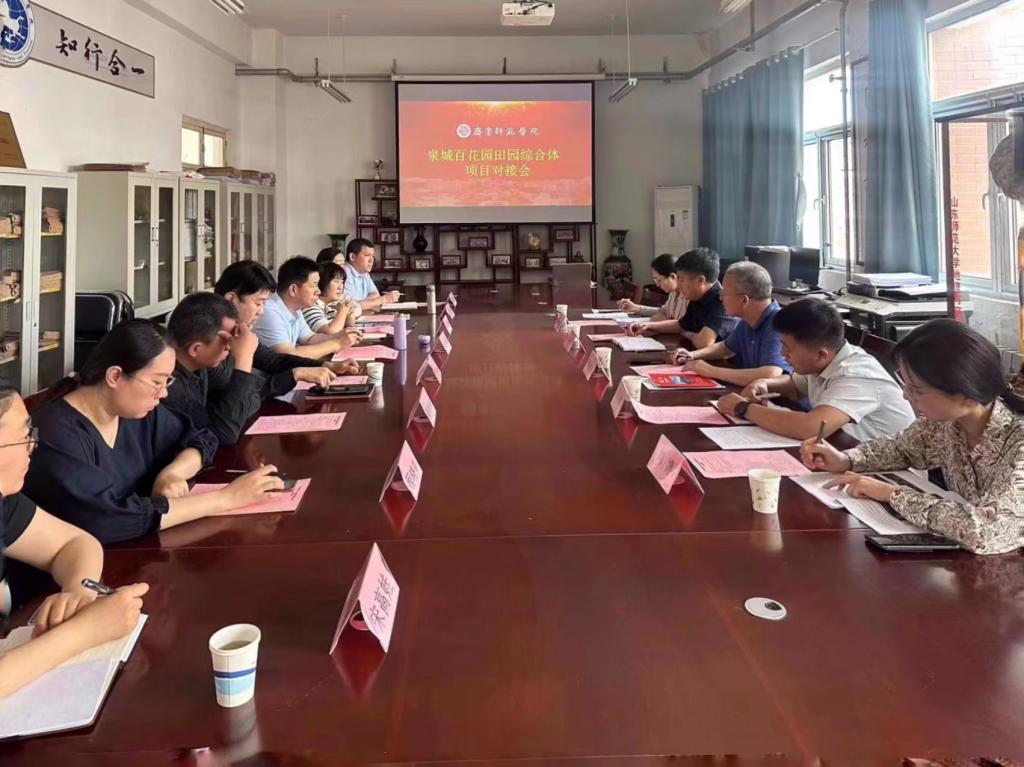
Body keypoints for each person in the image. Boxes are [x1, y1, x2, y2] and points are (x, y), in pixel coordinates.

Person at [22, 320, 286, 545]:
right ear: (115, 376)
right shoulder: (56, 432)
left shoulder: (134, 411)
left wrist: (172, 473)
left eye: (167, 381)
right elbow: (107, 519)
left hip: (135, 551)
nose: (164, 393)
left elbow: (201, 438)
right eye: (157, 382)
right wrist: (226, 498)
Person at [801, 320, 1024, 555]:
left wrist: (892, 494)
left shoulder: (1018, 443)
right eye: (905, 386)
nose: (906, 397)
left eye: (916, 391)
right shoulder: (947, 422)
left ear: (965, 394)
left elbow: (987, 531)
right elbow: (903, 449)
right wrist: (846, 460)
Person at [0, 382, 148, 700]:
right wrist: (85, 631)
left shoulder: (5, 501)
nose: (32, 446)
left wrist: (78, 594)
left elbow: (76, 543)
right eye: (24, 436)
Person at [717, 298, 915, 441]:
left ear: (821, 354)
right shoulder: (824, 360)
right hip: (846, 452)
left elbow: (811, 427)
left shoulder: (856, 376)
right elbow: (795, 385)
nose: (783, 354)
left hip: (892, 473)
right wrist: (764, 383)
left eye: (788, 348)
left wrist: (744, 408)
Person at [214, 261, 359, 399]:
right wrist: (295, 374)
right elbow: (243, 396)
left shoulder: (238, 331)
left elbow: (274, 360)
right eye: (258, 303)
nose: (261, 311)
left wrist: (326, 365)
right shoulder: (211, 340)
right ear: (231, 299)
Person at [163, 292, 263, 446]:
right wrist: (244, 358)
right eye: (226, 338)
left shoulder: (201, 366)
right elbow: (224, 434)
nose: (230, 346)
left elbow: (253, 399)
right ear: (196, 348)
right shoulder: (168, 386)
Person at [672, 262, 791, 387]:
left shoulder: (778, 323)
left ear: (744, 300)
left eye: (724, 293)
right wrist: (692, 355)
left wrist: (711, 371)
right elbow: (725, 348)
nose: (721, 298)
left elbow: (770, 374)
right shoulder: (747, 320)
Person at [252, 256, 362, 360]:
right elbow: (288, 355)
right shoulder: (269, 311)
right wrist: (335, 344)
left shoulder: (296, 309)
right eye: (314, 285)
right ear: (293, 290)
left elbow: (309, 338)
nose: (318, 291)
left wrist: (340, 336)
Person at [630, 247, 738, 350]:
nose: (679, 285)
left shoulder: (721, 301)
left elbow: (703, 343)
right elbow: (681, 325)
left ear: (700, 281)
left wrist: (689, 333)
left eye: (681, 280)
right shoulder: (697, 296)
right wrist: (647, 325)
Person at [617, 254, 688, 321]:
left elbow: (682, 324)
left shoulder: (689, 296)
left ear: (672, 277)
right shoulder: (673, 293)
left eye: (659, 280)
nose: (658, 285)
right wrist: (635, 308)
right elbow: (662, 311)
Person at [343, 238, 400, 313]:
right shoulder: (344, 274)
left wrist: (361, 304)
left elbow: (375, 295)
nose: (371, 260)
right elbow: (349, 308)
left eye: (372, 256)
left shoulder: (364, 272)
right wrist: (383, 299)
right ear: (352, 257)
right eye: (367, 255)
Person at [301, 261, 359, 334]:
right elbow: (330, 332)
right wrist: (343, 310)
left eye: (342, 282)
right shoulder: (310, 307)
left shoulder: (330, 306)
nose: (340, 287)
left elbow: (342, 330)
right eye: (336, 281)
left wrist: (349, 322)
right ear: (322, 282)